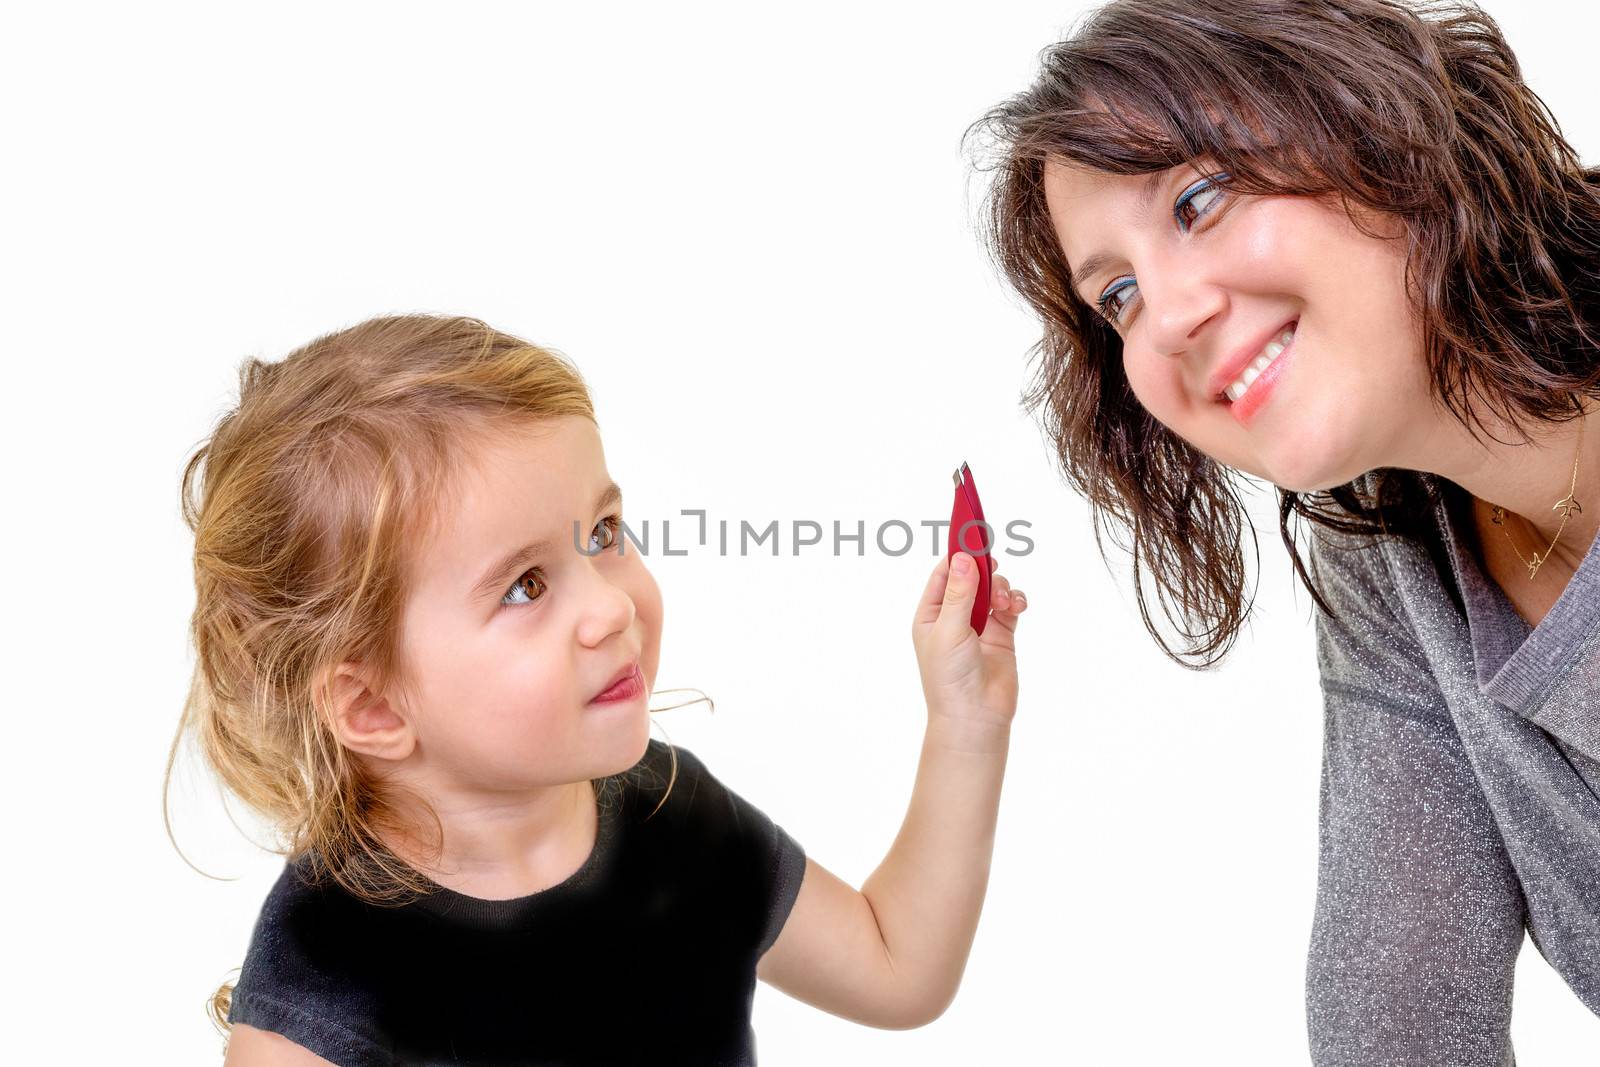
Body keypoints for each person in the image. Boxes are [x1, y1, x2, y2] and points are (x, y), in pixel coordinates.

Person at [968, 0, 1600, 1063]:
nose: (1162, 318)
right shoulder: (1390, 551)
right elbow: (1395, 1019)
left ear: (1365, 109)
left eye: (1197, 198)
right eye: (1114, 294)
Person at [163, 313, 1029, 1065]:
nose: (613, 605)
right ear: (373, 707)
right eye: (526, 586)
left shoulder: (675, 819)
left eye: (604, 532)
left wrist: (966, 722)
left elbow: (897, 966)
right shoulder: (322, 977)